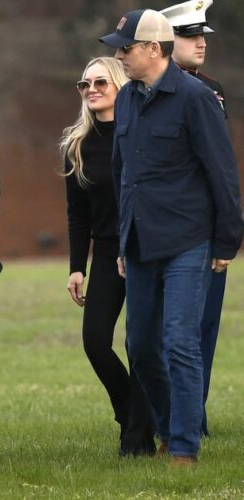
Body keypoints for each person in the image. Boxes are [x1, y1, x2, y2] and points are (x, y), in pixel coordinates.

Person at [100, 9, 244, 465]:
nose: (118, 55)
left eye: (126, 48)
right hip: (140, 244)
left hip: (189, 241)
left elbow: (222, 173)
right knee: (140, 346)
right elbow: (124, 177)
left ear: (153, 50)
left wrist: (226, 241)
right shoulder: (125, 100)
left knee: (180, 341)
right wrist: (123, 242)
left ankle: (183, 446)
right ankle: (166, 427)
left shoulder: (196, 98)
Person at [60, 57, 156, 457]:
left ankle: (137, 440)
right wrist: (76, 267)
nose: (91, 89)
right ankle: (131, 414)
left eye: (100, 81)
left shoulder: (141, 134)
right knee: (95, 342)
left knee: (142, 345)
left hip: (146, 248)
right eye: (84, 84)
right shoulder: (76, 145)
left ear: (120, 84)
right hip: (105, 252)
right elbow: (77, 214)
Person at [161, 0, 226, 438]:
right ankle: (167, 419)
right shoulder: (145, 90)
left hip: (206, 226)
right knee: (166, 333)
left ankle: (192, 417)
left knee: (204, 326)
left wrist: (227, 230)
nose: (200, 42)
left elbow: (219, 167)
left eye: (202, 35)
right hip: (167, 229)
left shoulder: (213, 89)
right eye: (189, 35)